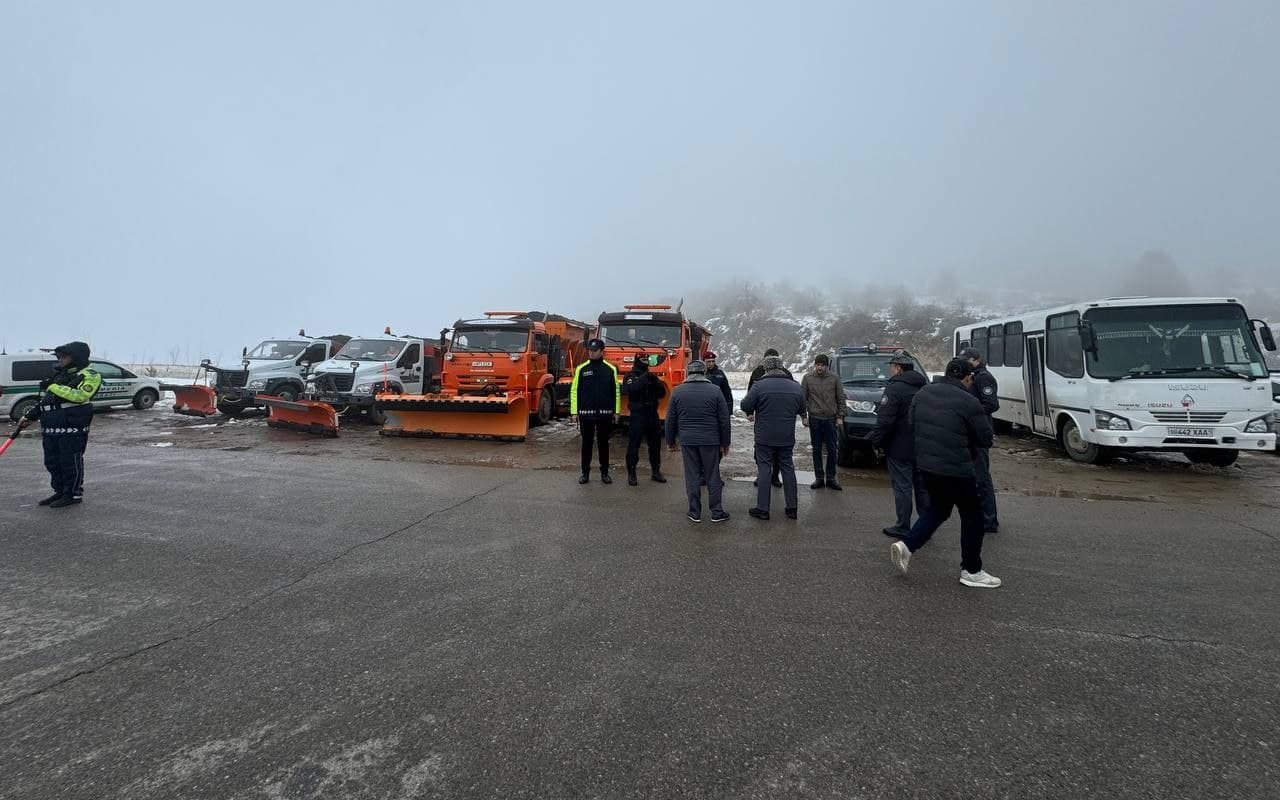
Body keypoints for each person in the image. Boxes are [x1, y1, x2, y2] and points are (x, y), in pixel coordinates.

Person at [889, 358, 1000, 588]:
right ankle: (971, 570)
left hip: (927, 466)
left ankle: (906, 546)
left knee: (938, 510)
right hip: (957, 468)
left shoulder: (923, 394)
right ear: (967, 378)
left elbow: (912, 423)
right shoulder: (969, 401)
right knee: (973, 515)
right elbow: (985, 438)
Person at [15, 342, 102, 508]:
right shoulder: (60, 375)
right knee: (52, 462)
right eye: (58, 357)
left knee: (69, 462)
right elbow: (47, 400)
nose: (60, 360)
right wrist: (30, 416)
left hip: (72, 427)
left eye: (63, 356)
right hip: (51, 426)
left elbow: (80, 396)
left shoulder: (90, 374)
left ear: (76, 357)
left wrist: (53, 386)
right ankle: (60, 491)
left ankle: (73, 494)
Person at [740, 355, 807, 521]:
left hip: (765, 436)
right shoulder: (795, 386)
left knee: (764, 470)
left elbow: (745, 405)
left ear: (766, 368)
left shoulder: (759, 386)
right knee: (788, 468)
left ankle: (763, 509)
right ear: (782, 368)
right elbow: (802, 408)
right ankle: (792, 508)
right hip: (786, 436)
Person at [870, 352, 929, 537]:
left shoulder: (894, 389)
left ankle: (903, 526)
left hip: (899, 446)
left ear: (898, 368)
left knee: (903, 487)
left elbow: (885, 420)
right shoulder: (925, 387)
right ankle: (925, 526)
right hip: (922, 445)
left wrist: (877, 441)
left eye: (892, 366)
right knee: (922, 487)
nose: (890, 370)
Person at [665, 360, 731, 523]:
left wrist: (670, 440)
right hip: (710, 440)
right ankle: (717, 511)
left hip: (688, 440)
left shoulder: (678, 392)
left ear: (688, 373)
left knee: (692, 475)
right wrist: (725, 442)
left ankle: (694, 512)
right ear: (704, 373)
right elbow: (724, 420)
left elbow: (670, 419)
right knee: (713, 475)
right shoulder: (715, 391)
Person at [960, 346, 1000, 533]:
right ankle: (979, 516)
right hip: (971, 431)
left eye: (967, 360)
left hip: (979, 432)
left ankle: (989, 519)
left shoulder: (983, 377)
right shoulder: (972, 376)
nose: (965, 363)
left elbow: (991, 404)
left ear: (976, 360)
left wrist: (971, 412)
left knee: (982, 477)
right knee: (974, 477)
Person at [570, 339, 620, 484]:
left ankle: (605, 473)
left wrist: (616, 411)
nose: (591, 353)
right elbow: (574, 391)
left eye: (594, 350)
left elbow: (615, 391)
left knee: (603, 444)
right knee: (586, 444)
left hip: (605, 414)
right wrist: (574, 412)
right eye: (590, 350)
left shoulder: (610, 369)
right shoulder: (581, 369)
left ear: (601, 351)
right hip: (586, 414)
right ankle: (585, 473)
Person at [800, 353, 846, 490]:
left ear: (827, 366)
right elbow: (803, 398)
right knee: (816, 449)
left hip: (831, 419)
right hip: (815, 419)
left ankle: (831, 478)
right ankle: (819, 478)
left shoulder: (834, 378)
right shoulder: (808, 378)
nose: (819, 368)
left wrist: (840, 416)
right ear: (815, 365)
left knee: (832, 449)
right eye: (817, 365)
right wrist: (804, 416)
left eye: (822, 365)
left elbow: (841, 398)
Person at [621, 356, 667, 486]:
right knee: (634, 444)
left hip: (652, 413)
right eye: (643, 359)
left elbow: (662, 393)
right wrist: (644, 378)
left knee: (655, 444)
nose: (646, 362)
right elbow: (629, 389)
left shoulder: (651, 376)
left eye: (647, 360)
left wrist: (655, 382)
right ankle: (631, 473)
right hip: (638, 414)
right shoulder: (630, 376)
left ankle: (656, 471)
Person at [748, 348, 790, 488]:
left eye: (774, 358)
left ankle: (775, 476)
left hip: (781, 417)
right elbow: (750, 392)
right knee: (760, 447)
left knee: (779, 449)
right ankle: (762, 474)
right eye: (769, 358)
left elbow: (793, 394)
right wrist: (749, 412)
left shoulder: (786, 374)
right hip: (763, 416)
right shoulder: (757, 372)